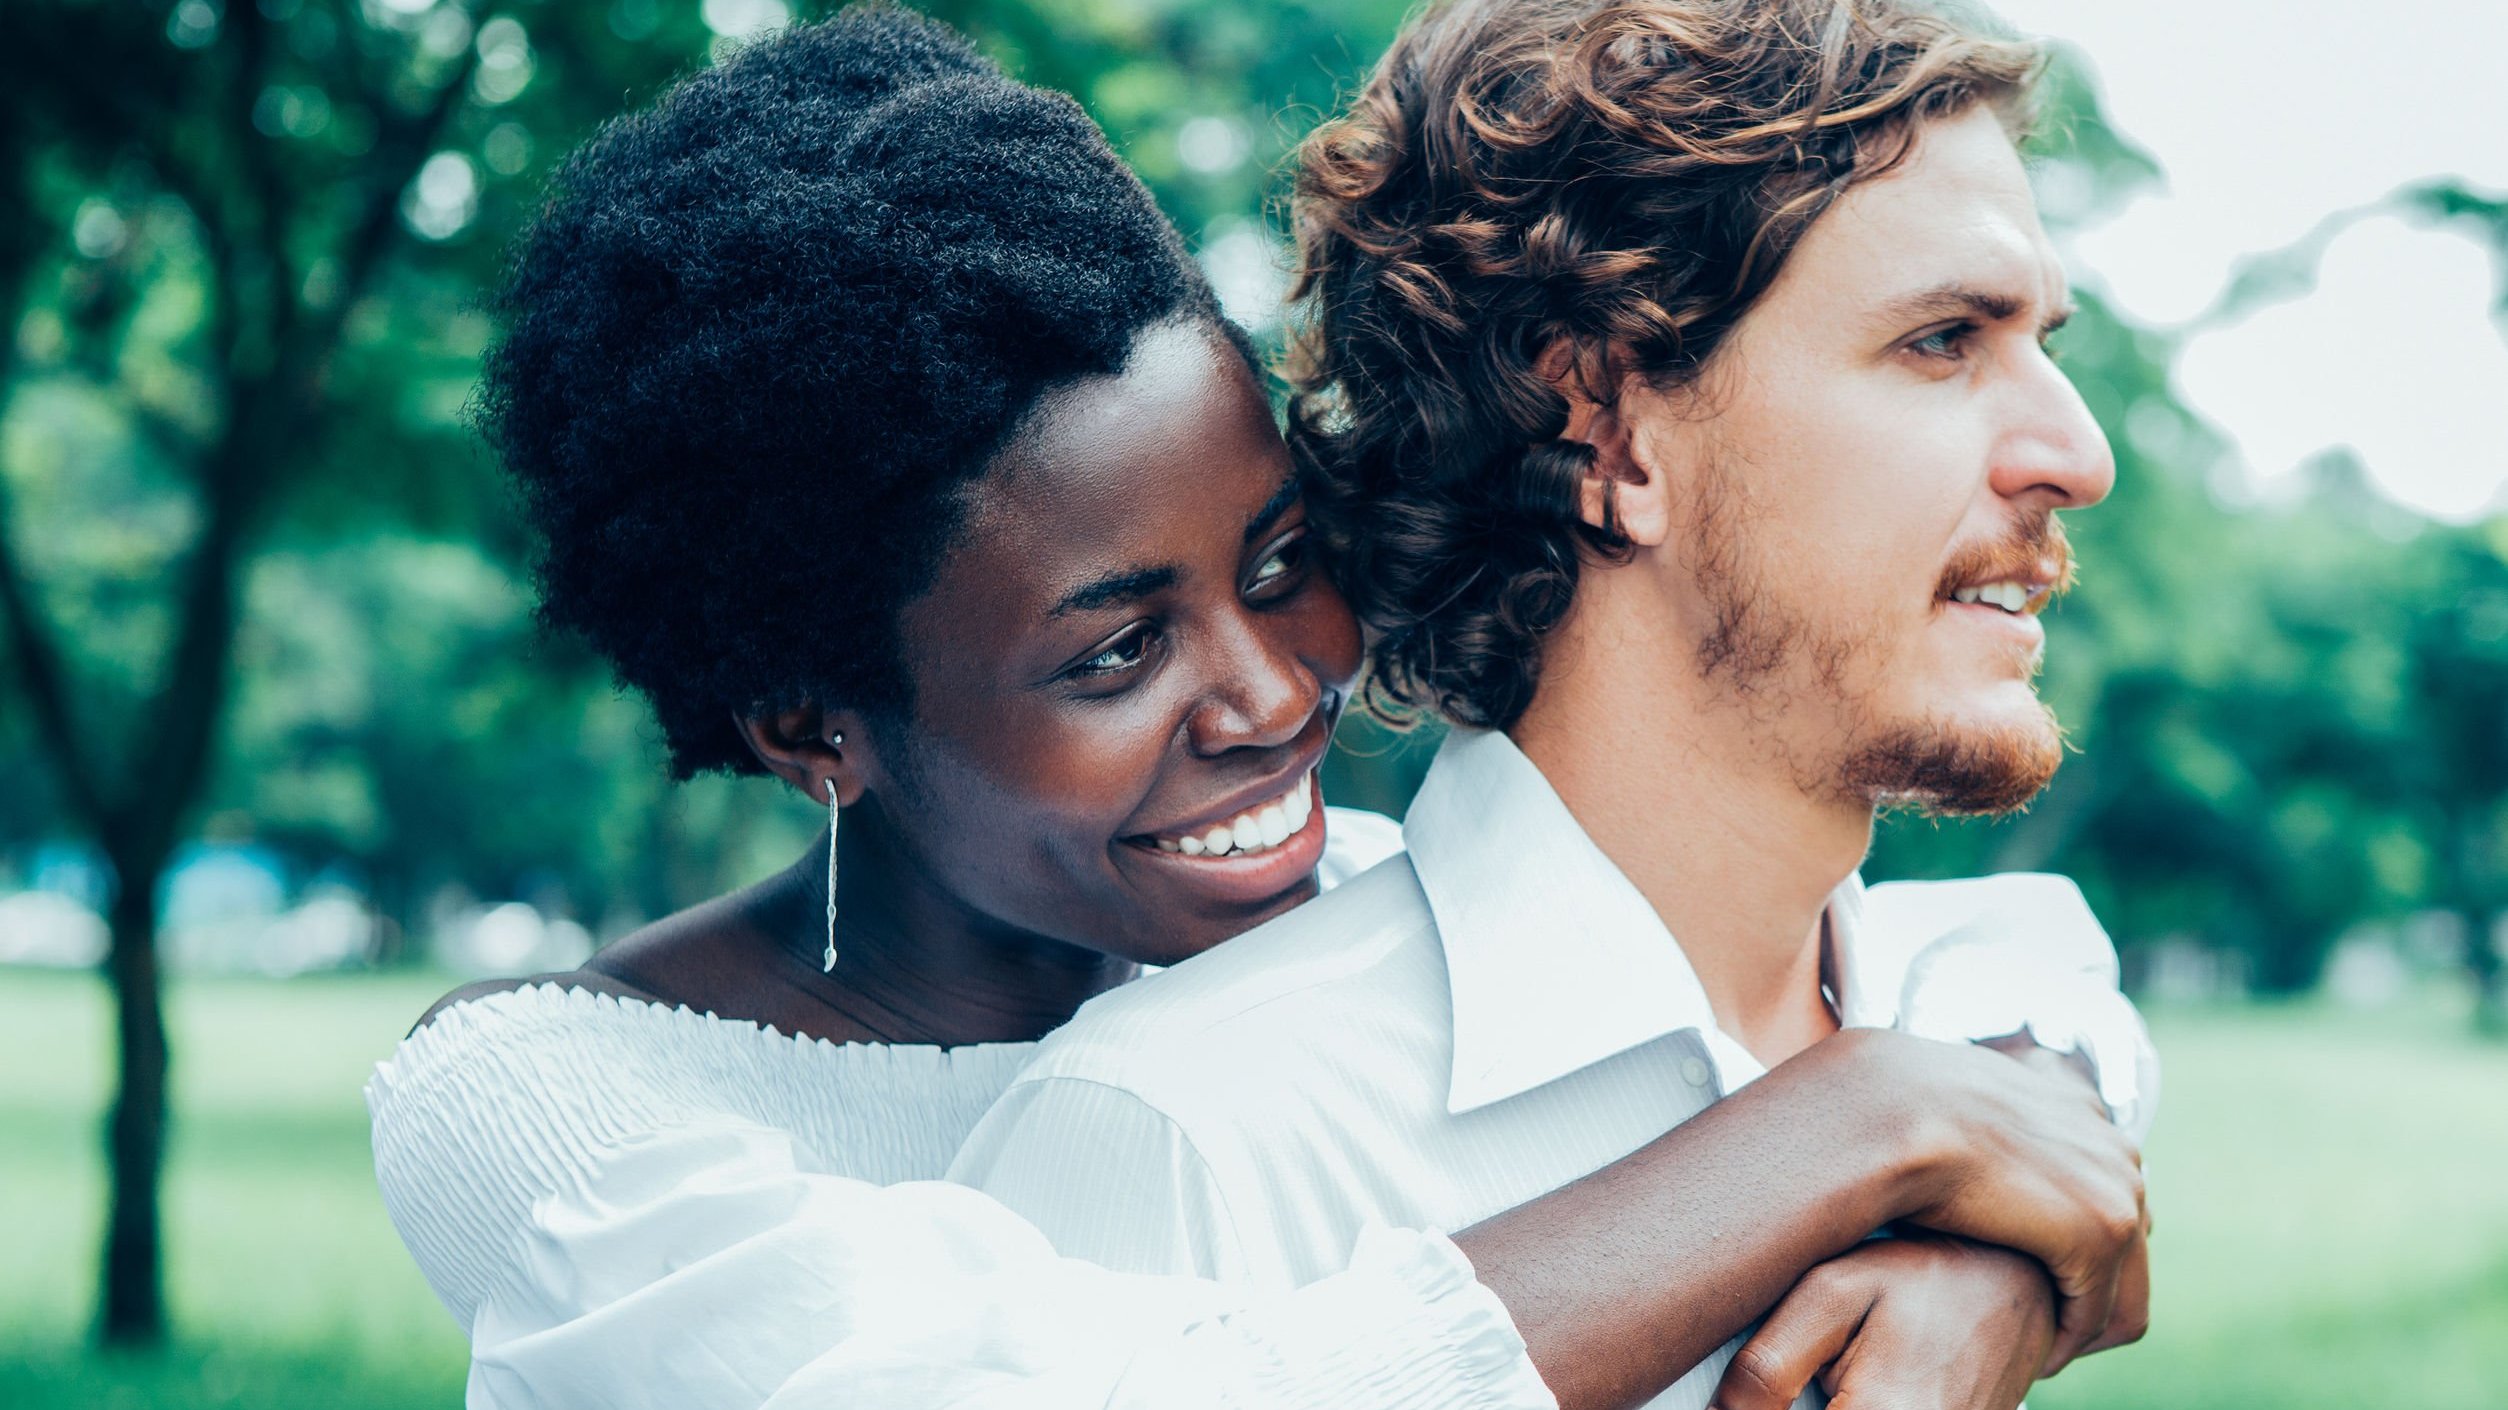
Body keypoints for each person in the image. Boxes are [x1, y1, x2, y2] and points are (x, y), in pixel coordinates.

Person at [368, 8, 2152, 1410]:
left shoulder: (1346, 902)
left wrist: (1984, 1213)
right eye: (1112, 653)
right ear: (811, 728)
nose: (1279, 688)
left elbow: (2006, 959)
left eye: (1282, 555)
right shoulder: (565, 1115)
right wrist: (1858, 1129)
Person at [947, 2, 2152, 1409]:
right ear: (1612, 430)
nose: (2080, 451)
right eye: (1943, 340)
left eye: (2044, 341)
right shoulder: (1184, 1143)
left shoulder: (1976, 1025)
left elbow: (2050, 975)